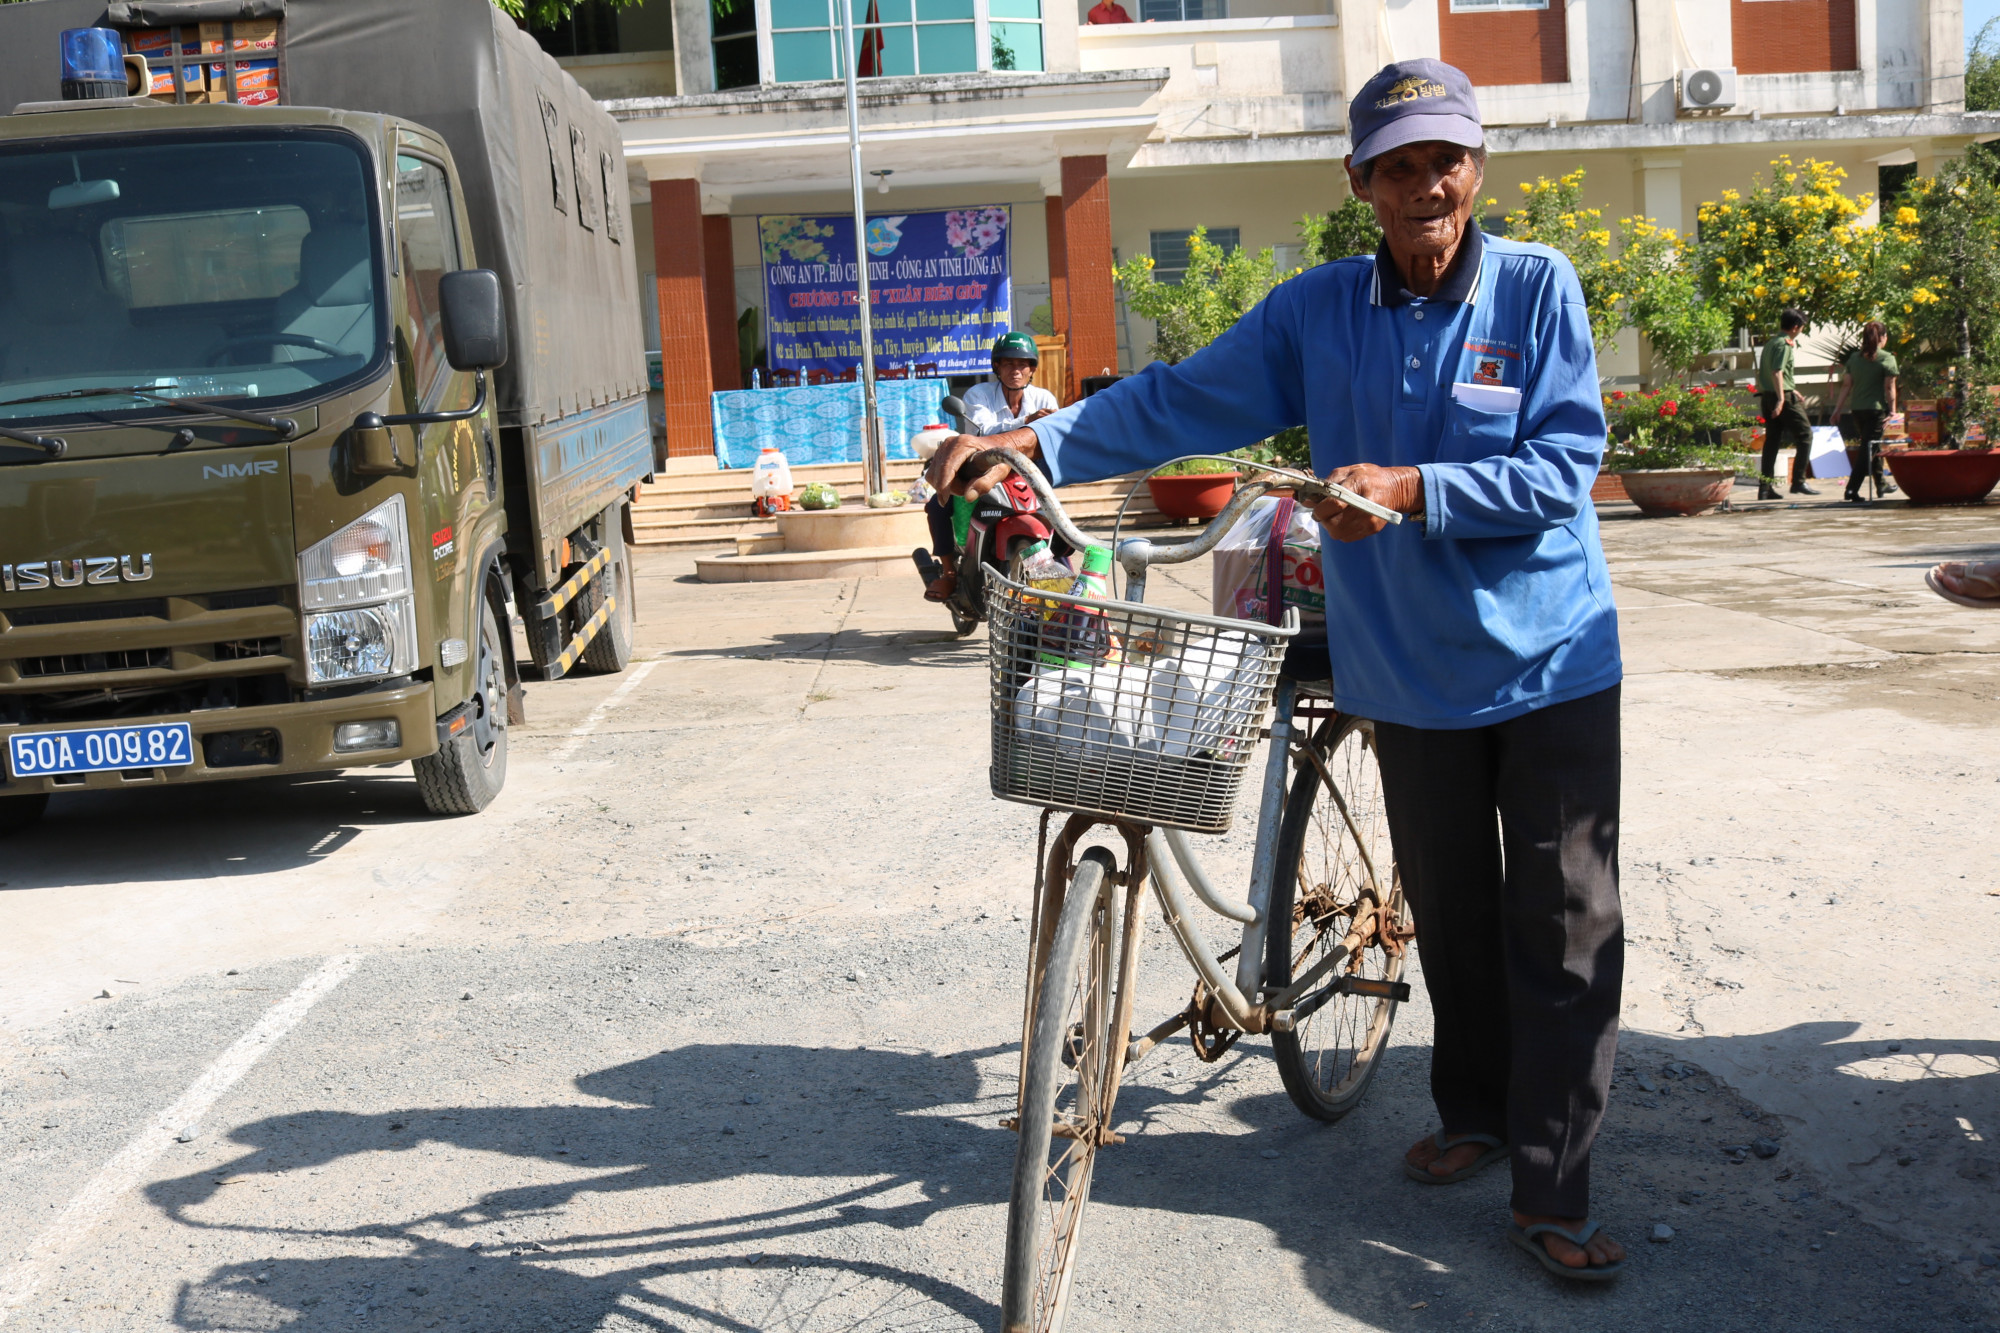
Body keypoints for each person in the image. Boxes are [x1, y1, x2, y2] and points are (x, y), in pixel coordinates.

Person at [928, 57, 1628, 1279]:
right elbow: (1177, 401)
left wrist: (1415, 489)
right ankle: (1470, 1111)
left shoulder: (1533, 289)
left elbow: (1562, 463)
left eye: (1442, 161)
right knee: (1452, 913)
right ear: (1358, 180)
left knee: (1563, 925)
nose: (1425, 186)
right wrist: (1029, 440)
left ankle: (1551, 1184)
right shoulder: (1317, 313)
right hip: (1405, 672)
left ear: (1475, 169)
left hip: (1550, 659)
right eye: (1398, 166)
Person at [923, 332, 1058, 601]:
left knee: (1059, 518)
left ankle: (1060, 565)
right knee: (938, 506)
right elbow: (983, 431)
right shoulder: (978, 394)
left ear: (1032, 369)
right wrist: (1027, 423)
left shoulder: (1045, 399)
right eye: (1008, 364)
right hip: (980, 466)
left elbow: (1053, 436)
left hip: (1028, 472)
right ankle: (949, 572)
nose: (1016, 370)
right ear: (997, 366)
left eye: (1022, 364)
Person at [1830, 320, 1900, 502]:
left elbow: (1846, 385)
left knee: (1871, 446)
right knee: (1868, 450)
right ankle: (1851, 489)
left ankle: (1881, 484)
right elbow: (1889, 388)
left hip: (1857, 410)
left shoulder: (1854, 358)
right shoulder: (1887, 358)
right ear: (1883, 338)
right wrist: (1893, 411)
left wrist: (1837, 409)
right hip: (1876, 411)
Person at [1757, 308, 1816, 499]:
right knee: (1805, 435)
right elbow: (1776, 371)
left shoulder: (1771, 343)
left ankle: (1765, 488)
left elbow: (1773, 373)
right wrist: (1783, 398)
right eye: (1801, 328)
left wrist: (1791, 388)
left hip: (1767, 395)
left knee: (1772, 441)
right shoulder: (1784, 345)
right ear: (1796, 327)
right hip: (1781, 398)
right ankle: (1798, 481)